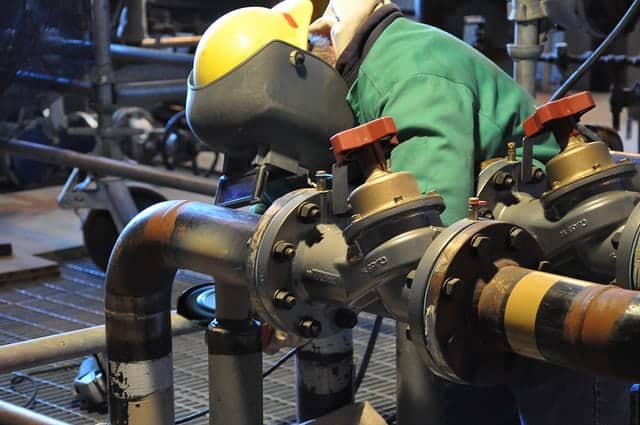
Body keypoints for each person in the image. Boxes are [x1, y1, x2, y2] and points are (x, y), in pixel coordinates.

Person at [189, 1, 631, 423]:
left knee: (564, 397)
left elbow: (430, 240)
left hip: (557, 274)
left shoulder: (413, 75)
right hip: (478, 281)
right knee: (458, 398)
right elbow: (276, 180)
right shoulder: (340, 86)